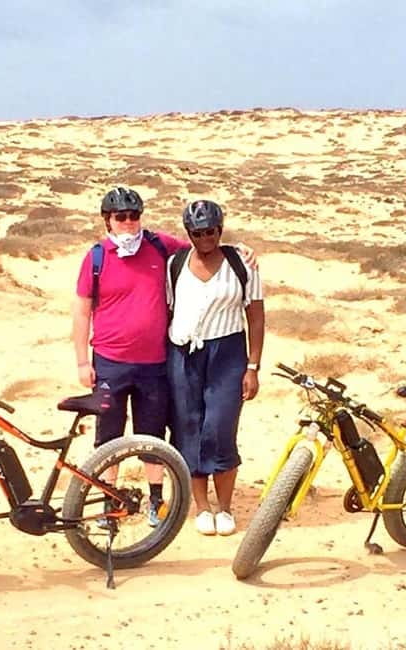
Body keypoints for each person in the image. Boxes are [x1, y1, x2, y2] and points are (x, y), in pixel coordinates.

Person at [72, 187, 255, 527]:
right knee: (109, 433)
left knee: (152, 433)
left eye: (134, 215)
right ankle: (109, 503)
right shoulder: (95, 257)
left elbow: (203, 247)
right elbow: (82, 312)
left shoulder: (159, 247)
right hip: (109, 360)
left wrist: (240, 249)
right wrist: (83, 361)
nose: (128, 223)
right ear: (107, 220)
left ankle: (155, 500)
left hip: (155, 362)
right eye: (120, 217)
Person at [166, 200, 265, 536]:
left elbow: (256, 316)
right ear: (188, 234)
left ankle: (225, 507)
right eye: (197, 233)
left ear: (220, 230)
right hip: (183, 353)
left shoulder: (242, 264)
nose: (204, 238)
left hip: (227, 352)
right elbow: (169, 309)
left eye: (210, 231)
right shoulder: (174, 264)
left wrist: (253, 366)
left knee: (221, 427)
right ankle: (202, 507)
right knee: (188, 426)